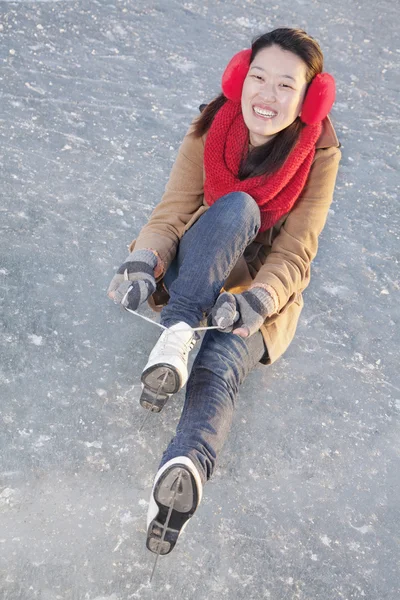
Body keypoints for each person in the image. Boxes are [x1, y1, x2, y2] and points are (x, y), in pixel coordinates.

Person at [107, 27, 341, 557]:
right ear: (240, 76)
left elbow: (296, 251)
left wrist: (258, 300)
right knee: (237, 207)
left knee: (222, 362)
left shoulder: (319, 153)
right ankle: (177, 333)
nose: (267, 94)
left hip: (261, 290)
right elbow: (172, 211)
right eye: (258, 77)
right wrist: (143, 263)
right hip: (202, 257)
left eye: (286, 85)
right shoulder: (213, 125)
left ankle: (181, 473)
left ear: (310, 97)